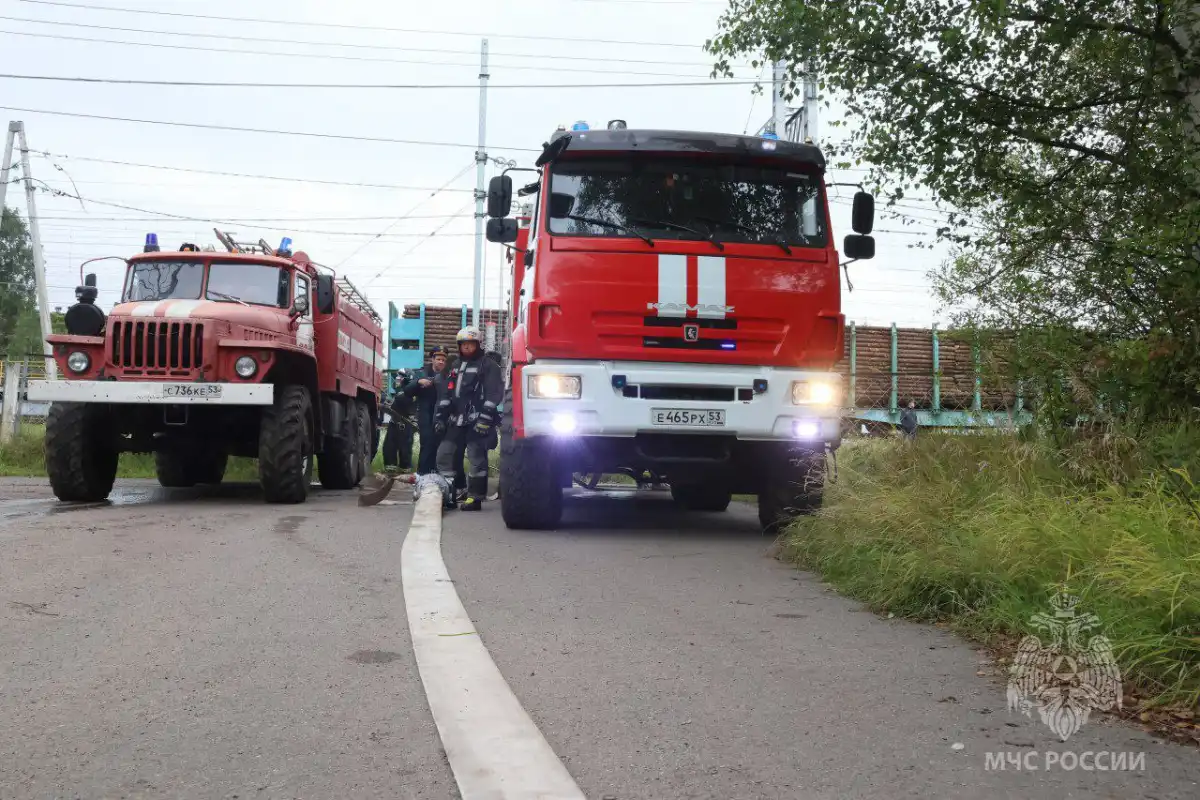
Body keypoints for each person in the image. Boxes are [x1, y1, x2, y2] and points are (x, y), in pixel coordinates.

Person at [435, 327, 503, 511]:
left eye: (470, 344)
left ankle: (475, 498)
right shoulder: (454, 365)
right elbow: (446, 393)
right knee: (444, 455)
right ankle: (448, 494)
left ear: (478, 344)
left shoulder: (488, 366)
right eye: (463, 344)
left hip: (477, 420)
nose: (466, 347)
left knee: (476, 459)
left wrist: (485, 420)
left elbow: (494, 394)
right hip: (455, 420)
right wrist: (440, 417)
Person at [401, 346, 450, 475]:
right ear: (432, 359)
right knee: (427, 441)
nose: (441, 362)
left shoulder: (449, 375)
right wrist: (418, 382)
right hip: (425, 413)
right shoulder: (422, 373)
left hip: (442, 413)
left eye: (443, 360)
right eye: (438, 359)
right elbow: (407, 391)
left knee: (440, 443)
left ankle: (436, 473)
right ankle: (423, 473)